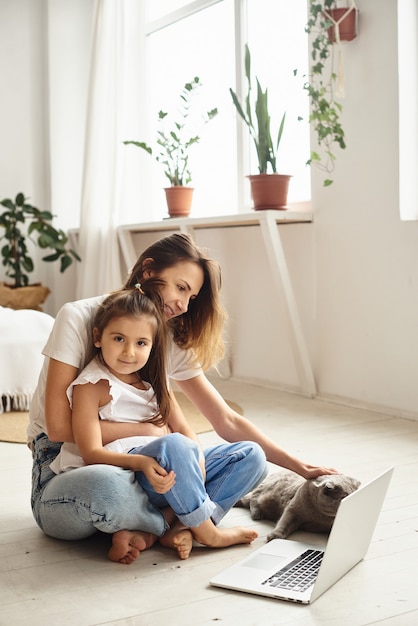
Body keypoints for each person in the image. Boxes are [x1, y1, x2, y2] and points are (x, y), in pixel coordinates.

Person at [28, 232, 336, 564]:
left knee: (251, 457)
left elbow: (225, 420)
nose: (183, 305)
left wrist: (300, 466)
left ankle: (163, 525)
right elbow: (59, 428)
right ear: (148, 271)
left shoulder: (166, 335)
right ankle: (189, 524)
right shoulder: (79, 318)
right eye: (181, 287)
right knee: (107, 487)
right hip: (67, 463)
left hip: (149, 466)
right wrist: (150, 433)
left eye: (191, 296)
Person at [50, 287, 258, 559]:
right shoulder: (92, 385)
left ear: (152, 344)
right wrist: (142, 462)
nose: (129, 352)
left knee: (251, 455)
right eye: (119, 338)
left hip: (169, 473)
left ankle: (174, 526)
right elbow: (90, 452)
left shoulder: (154, 382)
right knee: (174, 445)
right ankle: (208, 532)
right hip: (131, 475)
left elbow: (185, 430)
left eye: (141, 343)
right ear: (98, 337)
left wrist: (198, 463)